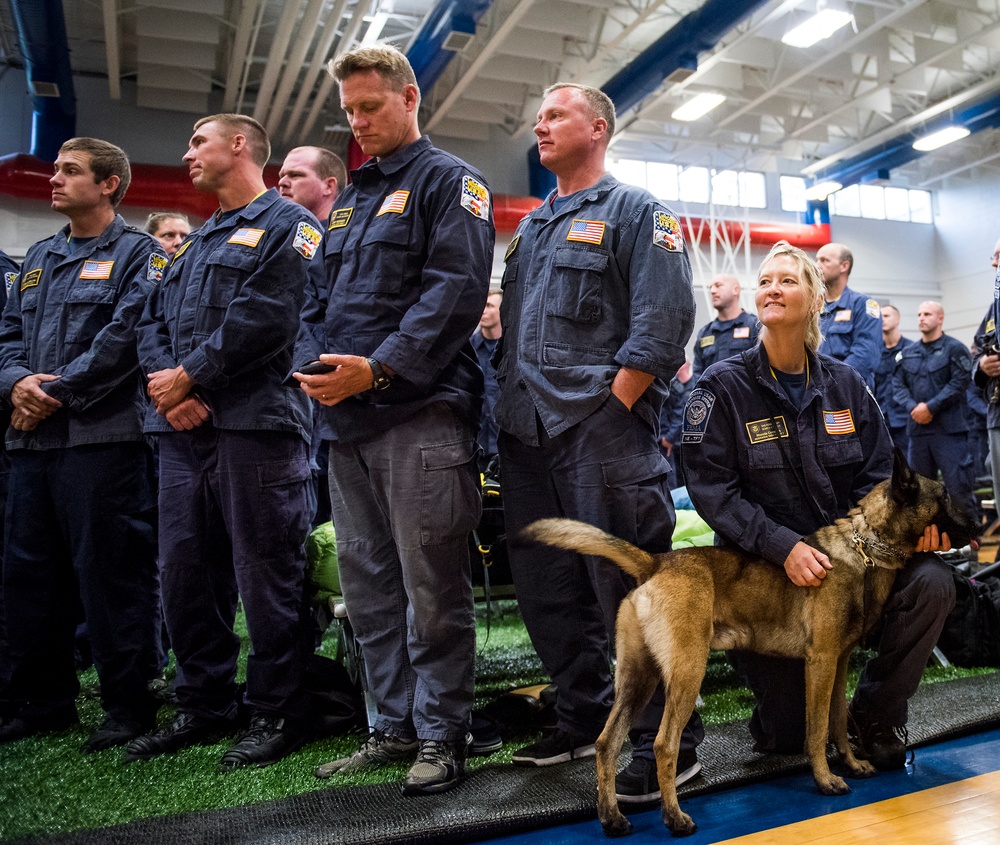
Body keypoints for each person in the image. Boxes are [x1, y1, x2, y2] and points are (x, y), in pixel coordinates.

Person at [493, 81, 701, 803]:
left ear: (599, 128)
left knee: (628, 589)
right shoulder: (532, 228)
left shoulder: (639, 211)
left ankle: (666, 740)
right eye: (538, 115)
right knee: (549, 591)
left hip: (601, 429)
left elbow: (666, 320)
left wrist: (613, 409)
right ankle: (583, 718)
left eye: (555, 115)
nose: (540, 126)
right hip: (525, 434)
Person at [296, 45, 493, 796]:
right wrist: (321, 368)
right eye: (348, 111)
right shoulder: (348, 198)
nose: (358, 122)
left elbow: (454, 293)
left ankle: (444, 732)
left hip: (420, 413)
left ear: (410, 98)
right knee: (370, 587)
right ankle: (392, 726)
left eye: (370, 106)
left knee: (432, 588)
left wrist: (376, 369)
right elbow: (315, 297)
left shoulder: (453, 183)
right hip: (346, 421)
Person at [681, 241, 957, 771]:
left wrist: (911, 530)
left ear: (814, 299)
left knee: (932, 582)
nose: (771, 288)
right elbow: (712, 490)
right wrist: (783, 547)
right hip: (770, 582)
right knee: (787, 738)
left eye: (787, 280)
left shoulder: (847, 385)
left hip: (854, 569)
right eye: (764, 280)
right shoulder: (723, 387)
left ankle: (874, 713)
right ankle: (783, 709)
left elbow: (881, 478)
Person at [129, 114, 317, 769]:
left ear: (239, 145)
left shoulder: (290, 225)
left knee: (268, 578)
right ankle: (204, 703)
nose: (186, 155)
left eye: (197, 142)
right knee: (184, 572)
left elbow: (267, 317)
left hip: (256, 429)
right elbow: (149, 320)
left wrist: (190, 376)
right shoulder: (196, 239)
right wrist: (169, 388)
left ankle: (277, 710)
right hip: (182, 433)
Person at [0, 138, 162, 751]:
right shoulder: (38, 256)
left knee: (111, 575)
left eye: (71, 171)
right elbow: (8, 333)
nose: (55, 179)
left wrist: (58, 392)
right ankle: (45, 701)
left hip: (103, 438)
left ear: (109, 185)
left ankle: (129, 704)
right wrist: (16, 383)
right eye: (56, 168)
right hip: (33, 443)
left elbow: (126, 339)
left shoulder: (140, 254)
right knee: (28, 575)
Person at [278, 146, 346, 527]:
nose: (282, 181)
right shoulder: (288, 236)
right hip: (294, 394)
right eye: (282, 174)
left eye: (297, 175)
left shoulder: (344, 241)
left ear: (328, 185)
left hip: (333, 395)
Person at [893, 301, 975, 516]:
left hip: (949, 431)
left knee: (958, 488)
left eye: (927, 314)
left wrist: (931, 407)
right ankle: (929, 544)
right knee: (920, 493)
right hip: (918, 433)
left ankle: (970, 544)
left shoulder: (955, 349)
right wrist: (914, 408)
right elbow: (898, 385)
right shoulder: (907, 353)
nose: (921, 317)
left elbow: (960, 381)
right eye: (919, 314)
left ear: (940, 318)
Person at [815, 242, 881, 387]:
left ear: (844, 266)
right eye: (817, 260)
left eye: (824, 260)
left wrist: (829, 384)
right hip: (814, 392)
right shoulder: (812, 307)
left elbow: (865, 355)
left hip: (848, 392)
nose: (817, 265)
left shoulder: (864, 305)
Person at [973, 237, 1000, 512]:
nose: (994, 262)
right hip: (997, 413)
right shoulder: (995, 309)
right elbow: (976, 350)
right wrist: (982, 366)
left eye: (998, 255)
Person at [691, 274, 759, 383]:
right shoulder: (705, 333)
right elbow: (698, 374)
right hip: (713, 397)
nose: (712, 291)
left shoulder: (754, 326)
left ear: (735, 290)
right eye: (710, 287)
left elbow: (762, 369)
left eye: (718, 286)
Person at [875, 305, 913, 455]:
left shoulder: (911, 350)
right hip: (881, 420)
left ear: (897, 320)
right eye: (880, 316)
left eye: (887, 316)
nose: (882, 319)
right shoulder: (874, 350)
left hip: (904, 420)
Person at [471, 290, 502, 471]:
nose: (483, 310)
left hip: (505, 446)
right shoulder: (468, 349)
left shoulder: (511, 352)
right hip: (476, 446)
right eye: (482, 305)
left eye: (489, 306)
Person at [277, 146, 346, 225]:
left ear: (328, 186)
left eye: (295, 175)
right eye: (282, 176)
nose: (281, 182)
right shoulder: (273, 231)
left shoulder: (350, 235)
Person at [658, 359, 693, 485]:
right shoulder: (671, 385)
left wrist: (669, 438)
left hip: (683, 444)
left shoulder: (696, 384)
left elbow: (682, 415)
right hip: (669, 443)